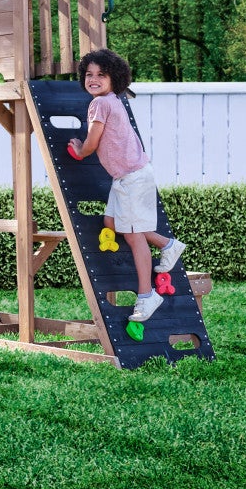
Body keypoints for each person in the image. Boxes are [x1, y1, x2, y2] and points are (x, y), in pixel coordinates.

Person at [66, 48, 184, 325]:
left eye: (101, 75)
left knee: (133, 236)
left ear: (114, 78)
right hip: (129, 176)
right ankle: (168, 244)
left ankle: (147, 295)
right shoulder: (113, 100)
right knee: (112, 221)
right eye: (89, 74)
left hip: (132, 177)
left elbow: (92, 141)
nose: (94, 79)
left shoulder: (100, 104)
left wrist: (81, 150)